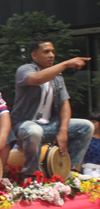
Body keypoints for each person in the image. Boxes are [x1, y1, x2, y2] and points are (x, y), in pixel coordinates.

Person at [10, 34, 94, 178]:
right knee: (35, 131)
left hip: (49, 126)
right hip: (24, 126)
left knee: (86, 127)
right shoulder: (25, 70)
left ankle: (68, 172)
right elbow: (37, 79)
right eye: (46, 52)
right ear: (34, 55)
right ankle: (31, 175)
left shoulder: (57, 76)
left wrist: (63, 130)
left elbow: (64, 103)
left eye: (52, 51)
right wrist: (66, 64)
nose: (51, 55)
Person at [82, 112, 100, 177]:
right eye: (89, 122)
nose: (91, 124)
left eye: (94, 122)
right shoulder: (84, 137)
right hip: (88, 170)